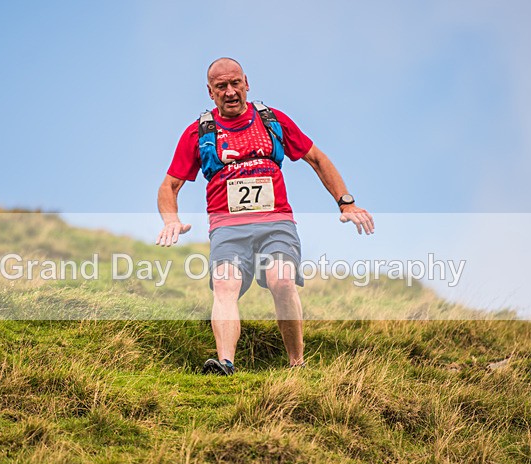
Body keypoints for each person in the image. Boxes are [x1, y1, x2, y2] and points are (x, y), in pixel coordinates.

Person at [156, 57, 374, 375]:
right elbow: (170, 185)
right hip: (227, 228)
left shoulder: (271, 120)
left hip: (276, 224)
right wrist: (170, 220)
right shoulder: (199, 132)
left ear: (247, 83)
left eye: (235, 84)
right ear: (210, 92)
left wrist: (347, 203)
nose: (230, 92)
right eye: (221, 87)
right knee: (225, 285)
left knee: (281, 280)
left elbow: (316, 158)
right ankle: (225, 363)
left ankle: (297, 364)